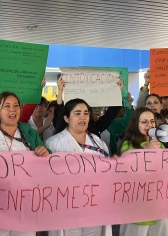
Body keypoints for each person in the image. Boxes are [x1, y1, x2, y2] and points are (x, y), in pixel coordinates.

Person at [0, 91, 50, 236]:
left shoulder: (30, 133)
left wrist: (44, 152)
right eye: (7, 106)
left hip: (25, 204)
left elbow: (48, 159)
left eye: (16, 106)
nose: (13, 109)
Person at [45, 98, 112, 236]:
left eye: (86, 113)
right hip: (66, 208)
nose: (83, 117)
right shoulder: (53, 144)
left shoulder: (99, 143)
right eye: (77, 113)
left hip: (94, 207)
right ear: (66, 118)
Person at [118, 107, 168, 236]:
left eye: (152, 121)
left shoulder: (159, 143)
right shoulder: (127, 145)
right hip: (137, 205)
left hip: (158, 203)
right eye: (144, 122)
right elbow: (132, 172)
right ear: (136, 124)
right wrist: (148, 152)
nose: (150, 125)